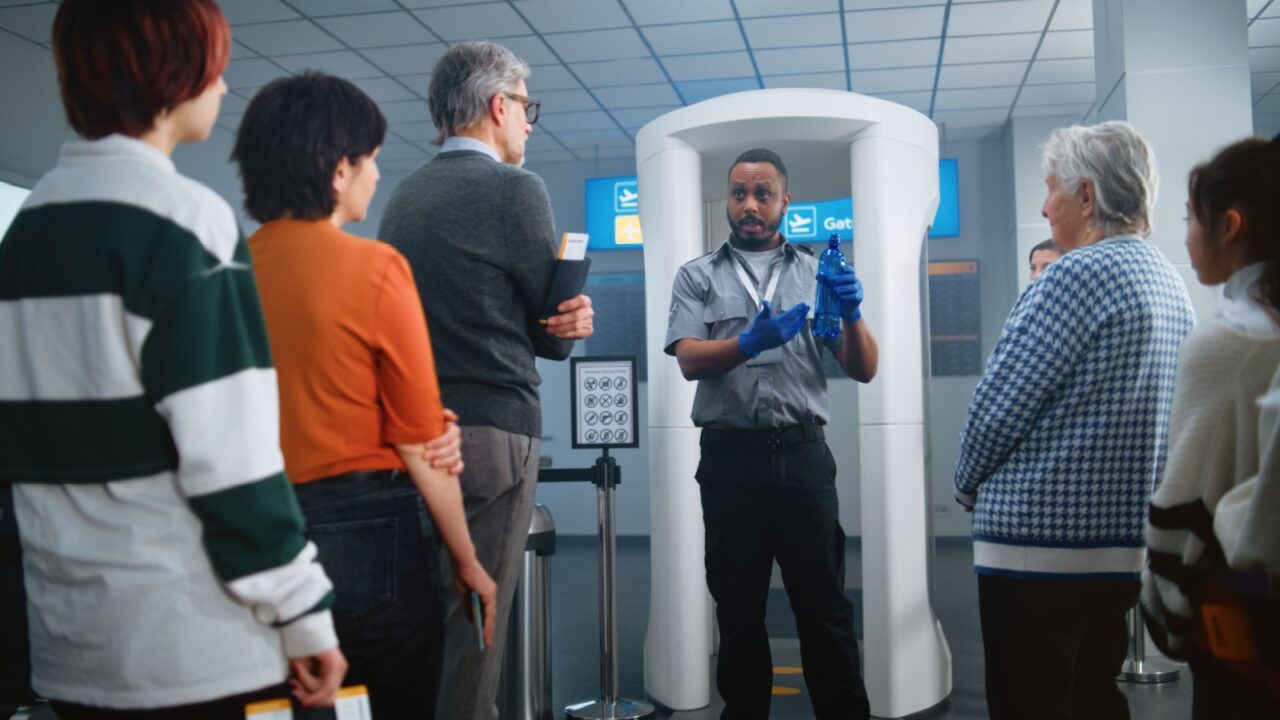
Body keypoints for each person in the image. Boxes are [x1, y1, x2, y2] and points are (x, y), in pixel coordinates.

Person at [0, 1, 345, 716]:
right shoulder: (184, 221)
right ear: (174, 72)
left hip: (68, 643)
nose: (222, 85)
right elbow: (233, 462)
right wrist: (303, 615)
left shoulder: (26, 232)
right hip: (188, 642)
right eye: (214, 65)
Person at [232, 72, 498, 720]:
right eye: (371, 160)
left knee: (280, 709)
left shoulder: (223, 271)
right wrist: (468, 561)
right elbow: (420, 442)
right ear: (337, 168)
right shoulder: (374, 268)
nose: (377, 175)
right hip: (365, 535)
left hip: (252, 530)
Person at [377, 40, 594, 720]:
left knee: (432, 625)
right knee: (479, 629)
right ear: (498, 107)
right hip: (495, 434)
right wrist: (570, 320)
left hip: (414, 440)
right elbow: (546, 337)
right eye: (527, 109)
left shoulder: (402, 200)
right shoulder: (515, 190)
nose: (530, 123)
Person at [953, 121, 1195, 720]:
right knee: (1094, 697)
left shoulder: (1071, 276)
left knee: (1030, 702)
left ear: (1086, 196)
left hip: (1038, 551)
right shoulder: (1170, 284)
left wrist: (964, 481)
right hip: (1117, 550)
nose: (1044, 205)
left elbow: (1000, 404)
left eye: (1052, 188)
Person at [664, 148, 878, 719]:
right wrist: (747, 343)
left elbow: (864, 367)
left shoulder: (816, 272)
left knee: (825, 611)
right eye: (739, 193)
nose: (749, 205)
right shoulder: (697, 276)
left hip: (805, 459)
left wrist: (852, 313)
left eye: (762, 194)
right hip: (731, 462)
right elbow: (688, 359)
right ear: (728, 201)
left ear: (786, 202)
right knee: (737, 614)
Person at [1142, 135, 1280, 718]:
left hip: (1241, 628)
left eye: (1190, 219)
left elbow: (1186, 503)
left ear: (1230, 225)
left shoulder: (1227, 340)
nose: (1186, 237)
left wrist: (1161, 612)